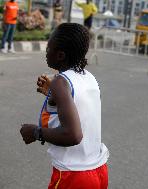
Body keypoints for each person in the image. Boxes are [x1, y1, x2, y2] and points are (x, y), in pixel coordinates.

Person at [20, 23, 109, 189]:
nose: (46, 52)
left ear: (60, 55)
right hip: (99, 170)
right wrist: (54, 96)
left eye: (49, 48)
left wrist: (35, 132)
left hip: (74, 176)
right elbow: (80, 108)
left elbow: (73, 135)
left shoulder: (60, 83)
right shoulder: (88, 77)